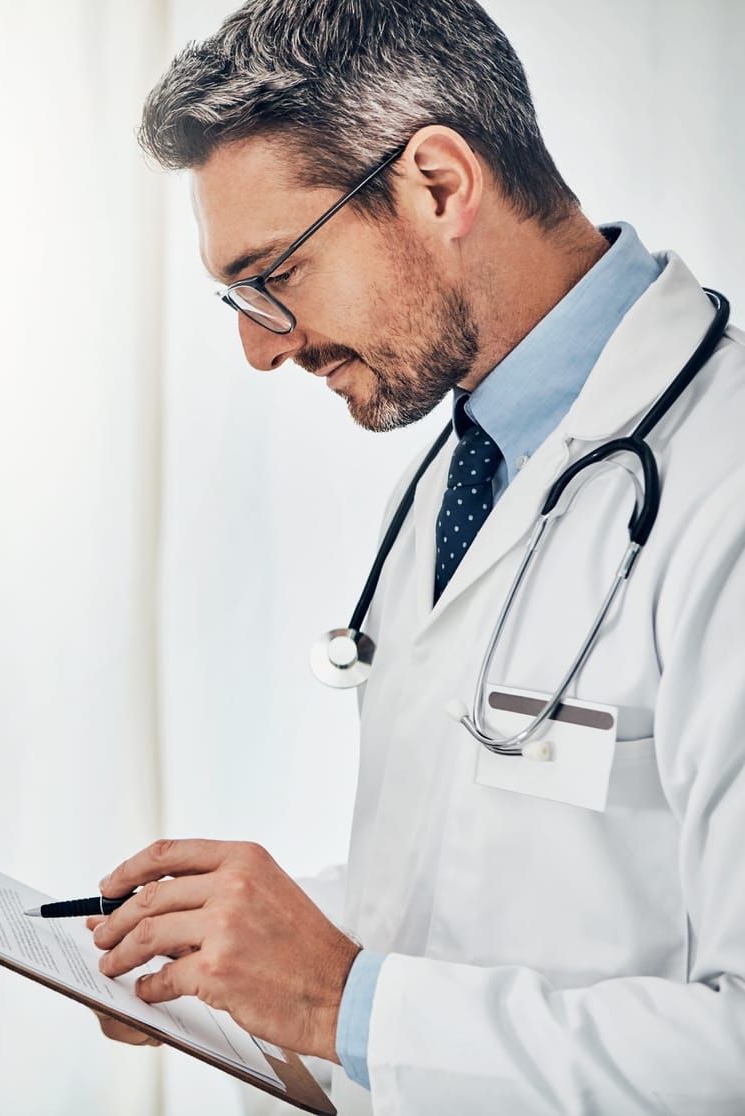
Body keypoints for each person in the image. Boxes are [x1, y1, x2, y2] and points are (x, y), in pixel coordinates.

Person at [87, 1, 745, 1112]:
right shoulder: (474, 464)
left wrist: (340, 998)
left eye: (275, 274)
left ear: (437, 184)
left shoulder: (718, 486)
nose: (259, 346)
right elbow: (482, 891)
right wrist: (238, 956)